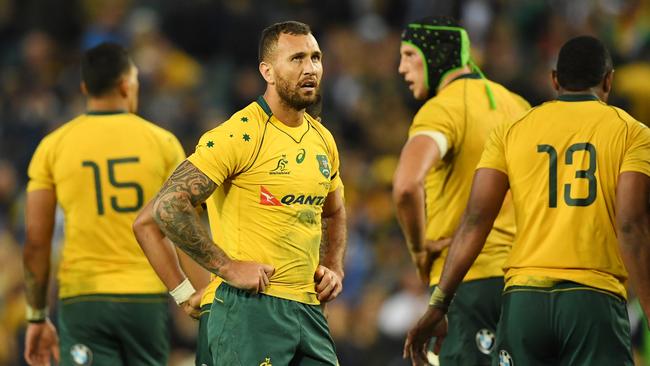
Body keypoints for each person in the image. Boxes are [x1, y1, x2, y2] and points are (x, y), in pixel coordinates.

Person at [404, 35, 650, 366]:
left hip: (523, 302)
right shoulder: (633, 134)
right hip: (593, 300)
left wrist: (439, 303)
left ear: (554, 80)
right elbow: (631, 227)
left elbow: (475, 221)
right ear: (608, 81)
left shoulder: (511, 131)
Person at [142, 21, 346, 366]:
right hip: (249, 312)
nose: (310, 68)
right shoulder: (239, 134)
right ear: (267, 71)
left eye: (316, 57)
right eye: (296, 59)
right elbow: (167, 207)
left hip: (309, 312)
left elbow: (334, 210)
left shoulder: (322, 139)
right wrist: (228, 267)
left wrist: (333, 265)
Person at [22, 42, 190, 365]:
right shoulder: (163, 143)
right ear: (127, 84)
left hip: (84, 299)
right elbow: (185, 230)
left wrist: (36, 316)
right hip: (146, 297)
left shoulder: (53, 146)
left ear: (85, 87)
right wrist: (198, 297)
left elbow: (35, 242)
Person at [392, 16, 529, 365]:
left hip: (469, 282)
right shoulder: (518, 105)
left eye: (410, 55)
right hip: (527, 283)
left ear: (435, 56)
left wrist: (419, 248)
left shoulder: (443, 109)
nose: (401, 68)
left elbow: (407, 186)